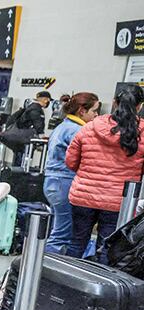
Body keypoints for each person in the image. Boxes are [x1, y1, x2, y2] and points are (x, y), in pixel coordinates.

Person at [65, 86, 144, 263]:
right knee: (106, 247)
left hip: (83, 195)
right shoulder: (142, 132)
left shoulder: (90, 127)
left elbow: (70, 161)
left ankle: (64, 285)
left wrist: (88, 173)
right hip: (118, 201)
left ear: (115, 103)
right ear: (139, 106)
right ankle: (100, 287)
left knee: (76, 243)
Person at [42, 92, 100, 254]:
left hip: (52, 182)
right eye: (94, 111)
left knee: (58, 229)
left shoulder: (62, 126)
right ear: (82, 111)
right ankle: (46, 270)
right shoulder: (78, 130)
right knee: (62, 234)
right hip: (65, 183)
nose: (96, 115)